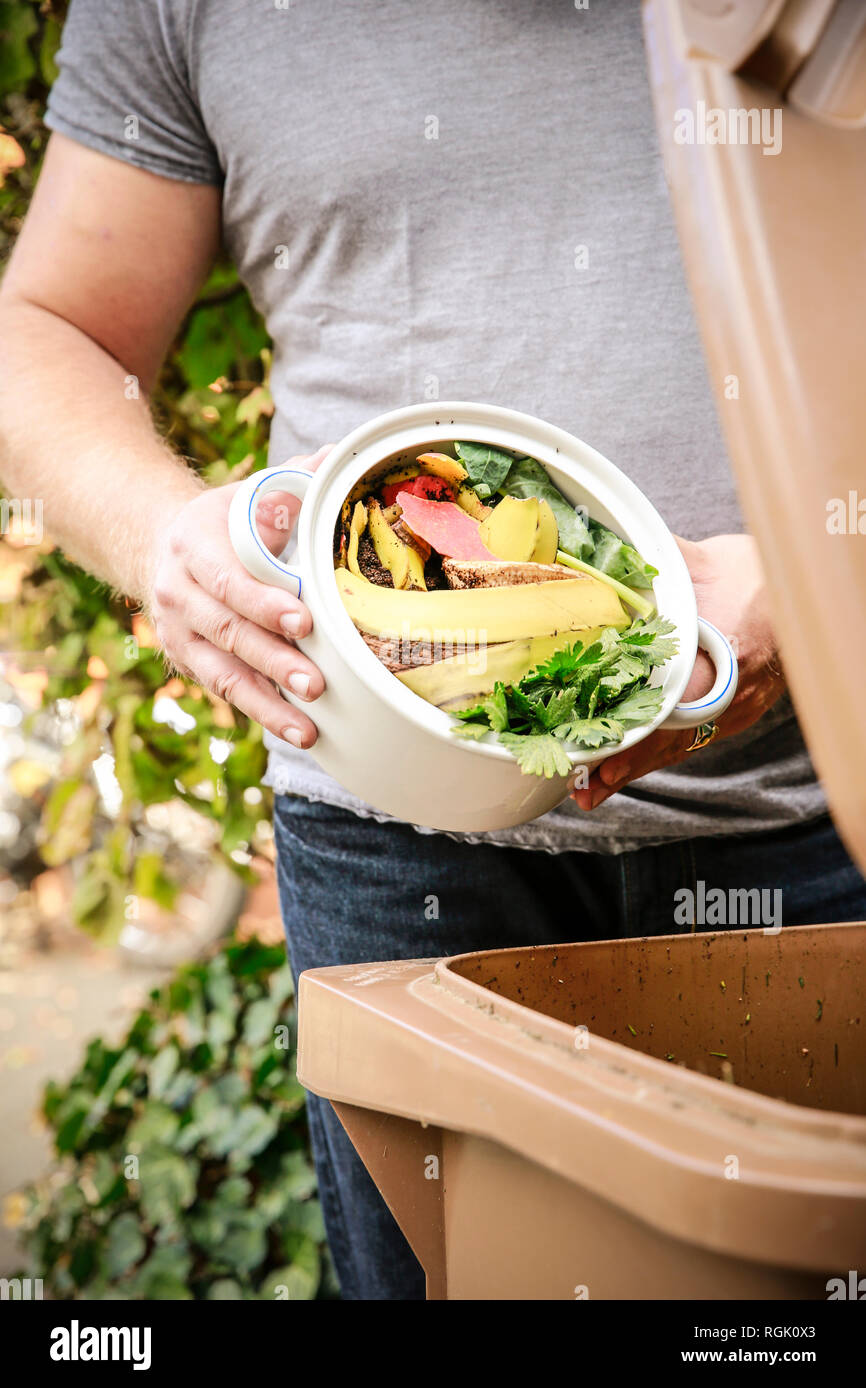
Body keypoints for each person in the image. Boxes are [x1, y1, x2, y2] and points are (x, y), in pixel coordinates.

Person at [1, 1, 862, 1301]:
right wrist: (161, 535)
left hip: (828, 810)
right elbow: (49, 329)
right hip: (391, 846)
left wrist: (814, 576)